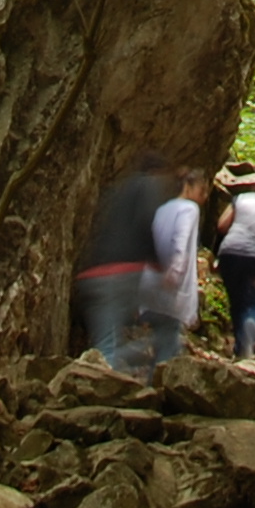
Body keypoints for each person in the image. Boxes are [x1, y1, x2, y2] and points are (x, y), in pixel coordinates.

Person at [77, 152, 172, 370]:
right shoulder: (148, 185)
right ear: (157, 172)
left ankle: (100, 380)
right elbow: (147, 221)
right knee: (163, 329)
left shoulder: (117, 190)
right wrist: (159, 263)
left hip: (93, 274)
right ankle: (153, 352)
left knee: (104, 343)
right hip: (123, 273)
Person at [215, 174, 255, 358]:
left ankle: (239, 345)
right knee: (253, 299)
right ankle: (250, 327)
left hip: (230, 251)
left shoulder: (240, 199)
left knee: (236, 301)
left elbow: (222, 225)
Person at [145, 168, 206, 365]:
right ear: (188, 187)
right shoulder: (189, 209)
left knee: (163, 339)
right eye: (201, 191)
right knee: (168, 347)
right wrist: (176, 272)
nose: (203, 197)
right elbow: (181, 241)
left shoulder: (163, 208)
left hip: (150, 282)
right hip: (170, 286)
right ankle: (156, 390)